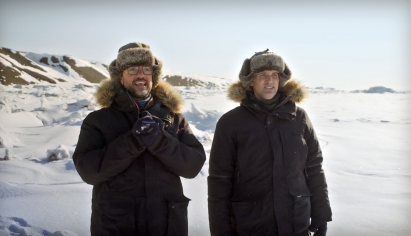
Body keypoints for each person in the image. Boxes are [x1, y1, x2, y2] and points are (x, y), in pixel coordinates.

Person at [73, 42, 206, 235]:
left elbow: (193, 165)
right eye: (132, 70)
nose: (140, 75)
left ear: (154, 76)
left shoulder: (174, 117)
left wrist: (160, 141)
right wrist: (133, 141)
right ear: (120, 77)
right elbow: (89, 171)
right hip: (117, 224)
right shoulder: (98, 121)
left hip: (167, 224)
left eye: (146, 70)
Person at [208, 49, 332, 236]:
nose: (270, 81)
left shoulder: (298, 117)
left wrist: (321, 214)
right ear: (250, 81)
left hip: (296, 223)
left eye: (275, 75)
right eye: (262, 75)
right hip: (251, 225)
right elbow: (220, 180)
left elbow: (314, 167)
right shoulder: (231, 123)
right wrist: (221, 230)